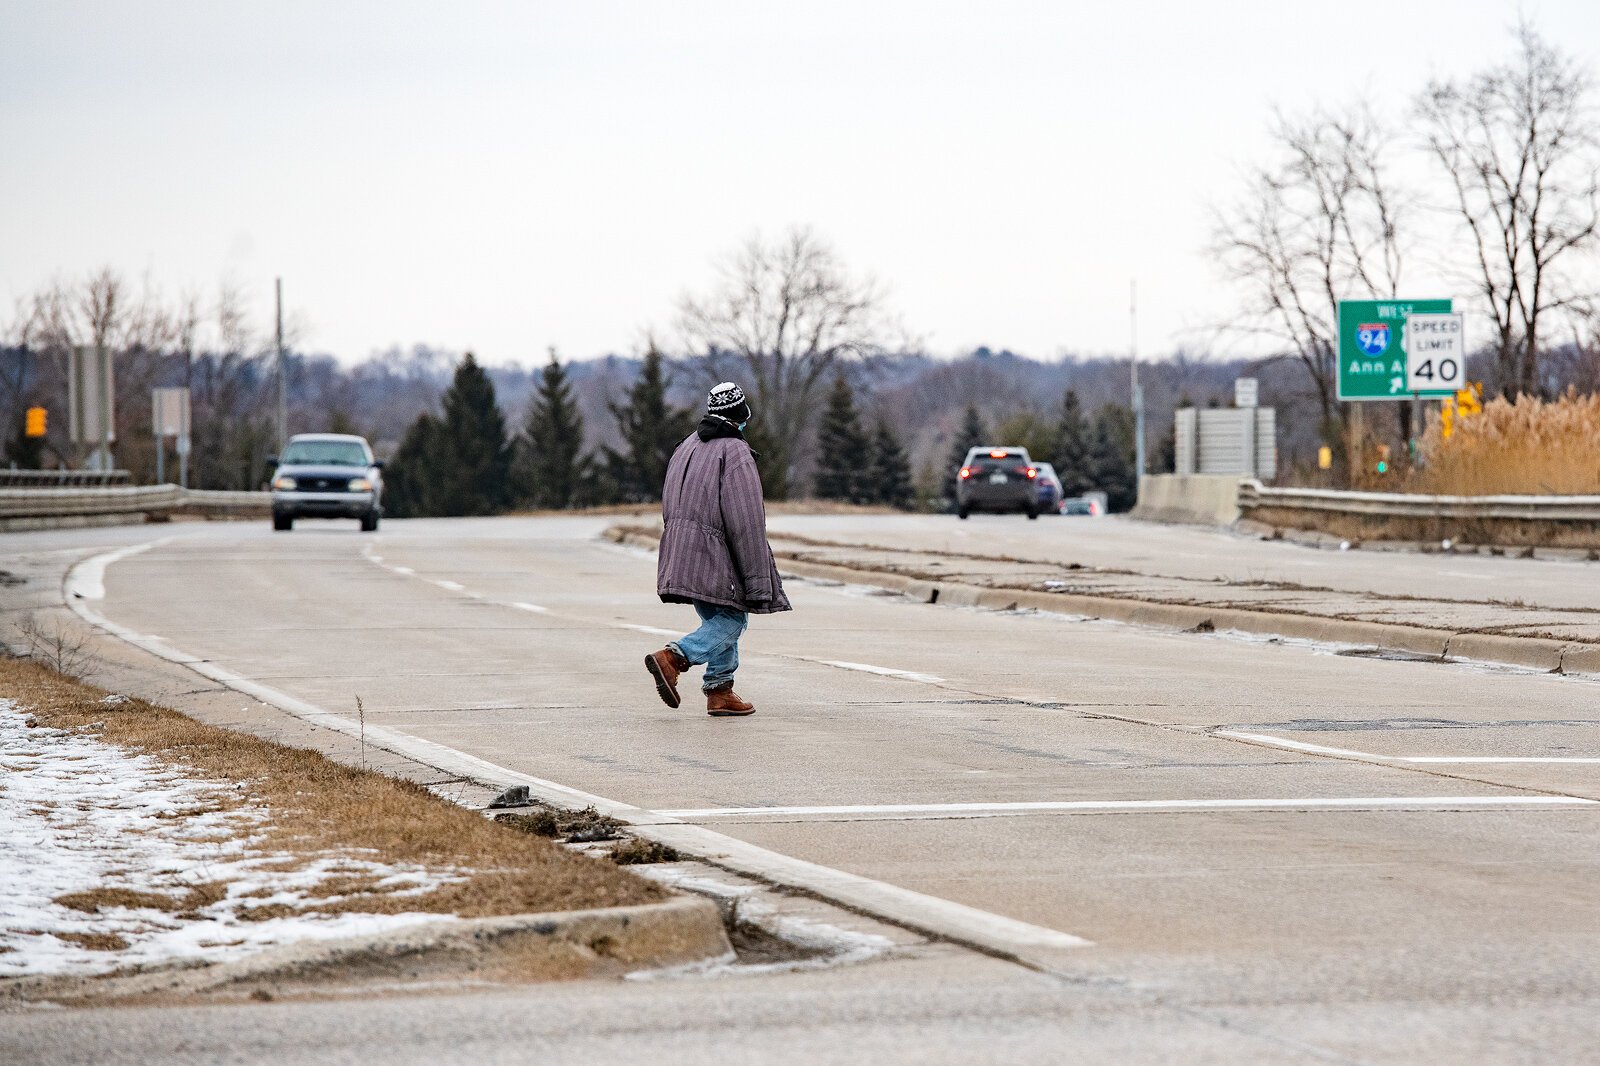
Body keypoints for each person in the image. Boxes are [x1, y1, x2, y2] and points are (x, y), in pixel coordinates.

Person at [646, 382, 790, 717]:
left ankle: (720, 690)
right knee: (734, 619)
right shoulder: (735, 452)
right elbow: (746, 521)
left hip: (681, 545)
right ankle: (675, 657)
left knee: (719, 613)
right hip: (714, 550)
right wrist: (757, 581)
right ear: (742, 414)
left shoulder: (686, 446)